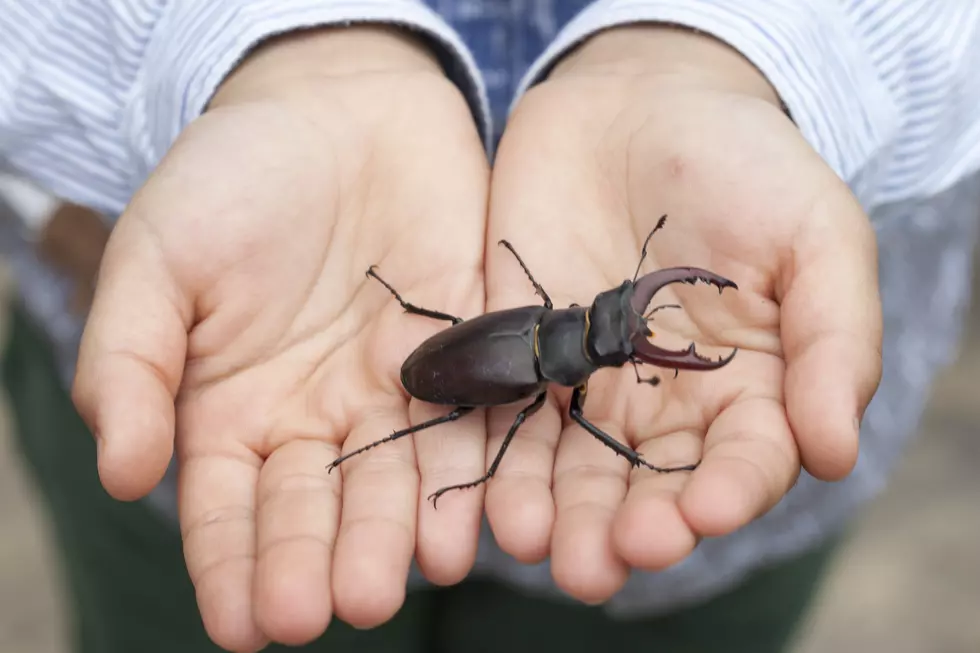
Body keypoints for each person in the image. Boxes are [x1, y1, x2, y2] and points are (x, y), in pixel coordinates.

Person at [1, 1, 978, 652]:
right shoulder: (547, 370)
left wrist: (742, 50)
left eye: (616, 327)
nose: (622, 327)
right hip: (261, 397)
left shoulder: (543, 331)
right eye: (615, 326)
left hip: (686, 564)